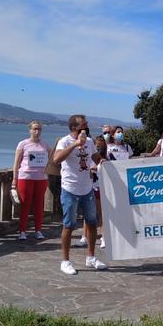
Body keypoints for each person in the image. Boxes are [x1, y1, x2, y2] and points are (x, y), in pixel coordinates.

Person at [54, 114, 107, 274]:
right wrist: (75, 144)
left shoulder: (90, 141)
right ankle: (65, 261)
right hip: (70, 189)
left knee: (92, 222)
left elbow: (95, 156)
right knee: (69, 225)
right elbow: (56, 159)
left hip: (87, 189)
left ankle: (91, 257)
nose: (86, 127)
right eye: (84, 125)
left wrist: (102, 161)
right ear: (74, 128)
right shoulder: (64, 141)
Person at [12, 121, 51, 241]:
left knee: (39, 205)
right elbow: (16, 163)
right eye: (34, 129)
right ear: (30, 130)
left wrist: (48, 175)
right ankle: (22, 231)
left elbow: (50, 162)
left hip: (41, 178)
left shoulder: (45, 145)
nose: (37, 131)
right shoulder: (23, 144)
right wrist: (15, 178)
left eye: (39, 129)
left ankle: (38, 230)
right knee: (25, 205)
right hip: (25, 177)